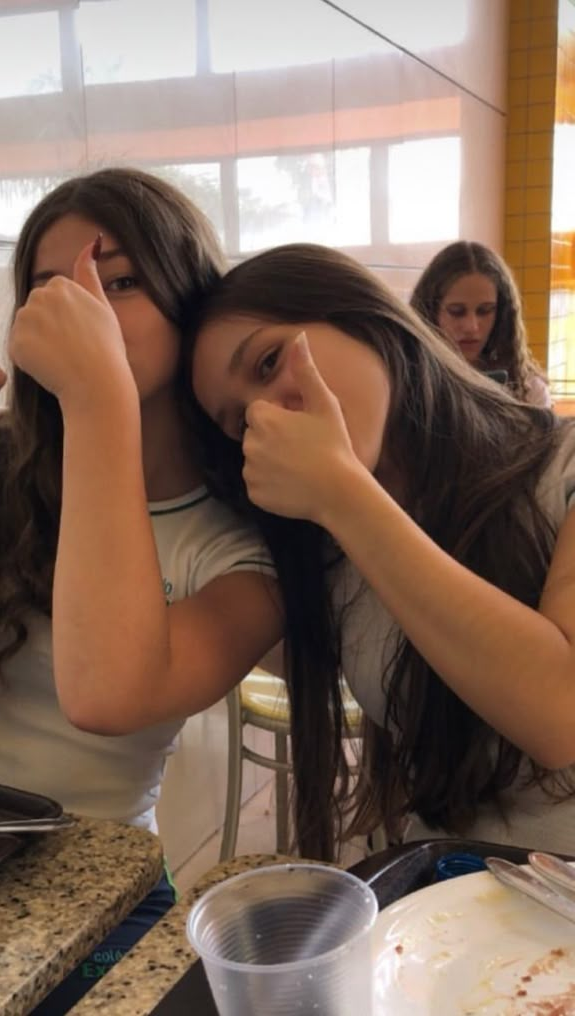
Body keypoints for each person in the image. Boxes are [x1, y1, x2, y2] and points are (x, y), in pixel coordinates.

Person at [0, 168, 282, 1009]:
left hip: (92, 885)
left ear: (191, 304)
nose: (88, 306)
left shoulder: (238, 540)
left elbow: (107, 695)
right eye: (54, 289)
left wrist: (99, 400)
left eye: (120, 282)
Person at [187, 241, 575, 861]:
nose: (269, 416)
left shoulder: (561, 468)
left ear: (362, 313)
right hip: (433, 918)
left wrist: (345, 495)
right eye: (240, 422)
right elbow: (113, 690)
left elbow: (562, 714)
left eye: (267, 363)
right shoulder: (326, 556)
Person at [410, 240, 551, 407]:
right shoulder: (406, 383)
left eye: (485, 311)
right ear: (430, 312)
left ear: (501, 314)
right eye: (456, 312)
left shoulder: (528, 391)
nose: (472, 327)